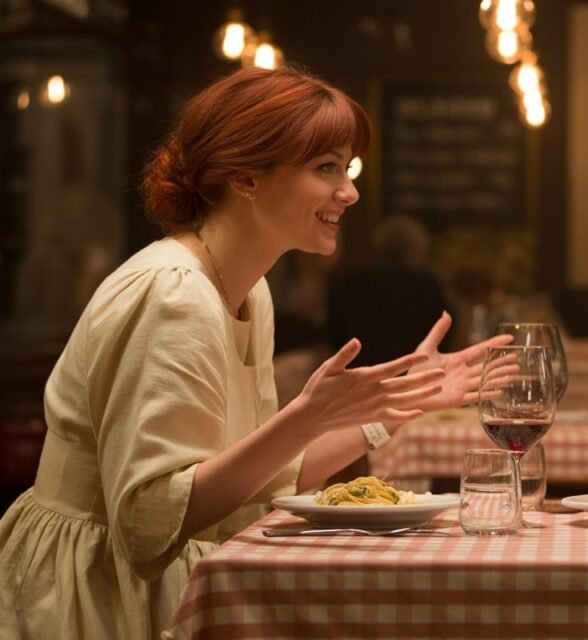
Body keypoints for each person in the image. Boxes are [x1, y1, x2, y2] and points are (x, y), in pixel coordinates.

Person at [0, 66, 511, 639]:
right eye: (327, 167)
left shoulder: (248, 290)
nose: (350, 192)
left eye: (346, 168)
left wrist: (393, 409)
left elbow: (259, 479)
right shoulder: (174, 292)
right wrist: (306, 418)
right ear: (246, 177)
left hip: (156, 577)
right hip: (90, 589)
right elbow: (148, 520)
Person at [327, 214, 454, 368]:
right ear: (416, 250)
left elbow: (333, 330)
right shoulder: (427, 284)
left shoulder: (350, 280)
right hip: (413, 369)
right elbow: (445, 331)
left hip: (358, 368)